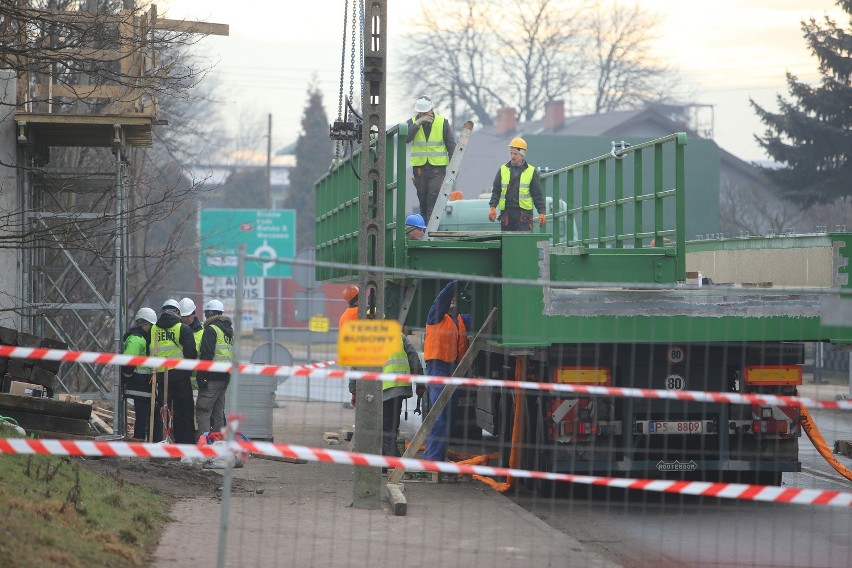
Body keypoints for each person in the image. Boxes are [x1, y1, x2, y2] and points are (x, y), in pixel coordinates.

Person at [423, 281, 472, 462]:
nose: (451, 302)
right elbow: (441, 299)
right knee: (439, 416)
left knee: (448, 418)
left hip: (453, 371)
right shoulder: (435, 316)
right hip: (437, 368)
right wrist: (455, 283)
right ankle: (432, 459)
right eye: (449, 300)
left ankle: (438, 456)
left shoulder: (460, 320)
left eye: (454, 300)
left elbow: (479, 315)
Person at [148, 298, 198, 443]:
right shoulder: (182, 328)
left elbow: (149, 351)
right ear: (177, 312)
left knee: (162, 410)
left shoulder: (154, 329)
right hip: (181, 375)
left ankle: (159, 441)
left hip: (162, 376)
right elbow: (191, 354)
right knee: (184, 410)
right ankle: (185, 442)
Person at [407, 95, 456, 223]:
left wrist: (452, 169)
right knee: (422, 199)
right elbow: (406, 138)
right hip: (420, 169)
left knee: (433, 196)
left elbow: (451, 146)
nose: (423, 115)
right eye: (421, 113)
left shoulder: (442, 122)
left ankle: (430, 229)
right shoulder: (412, 123)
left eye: (426, 112)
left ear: (432, 109)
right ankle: (424, 228)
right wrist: (417, 124)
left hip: (437, 169)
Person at [488, 137, 547, 232]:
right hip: (506, 214)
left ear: (522, 154)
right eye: (511, 153)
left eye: (515, 154)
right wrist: (492, 207)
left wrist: (541, 212)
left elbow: (537, 195)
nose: (512, 156)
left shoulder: (531, 171)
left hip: (523, 215)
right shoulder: (503, 170)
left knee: (521, 242)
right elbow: (496, 191)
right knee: (507, 243)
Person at [379, 331, 423, 458]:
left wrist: (354, 390)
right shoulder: (397, 334)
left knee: (386, 429)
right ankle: (386, 461)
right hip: (400, 386)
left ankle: (393, 462)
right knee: (392, 425)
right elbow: (413, 356)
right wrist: (420, 382)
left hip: (384, 387)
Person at [121, 307, 161, 441]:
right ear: (144, 323)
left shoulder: (143, 338)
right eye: (151, 325)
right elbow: (127, 362)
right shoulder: (137, 339)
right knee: (142, 417)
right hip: (139, 384)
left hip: (144, 384)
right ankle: (138, 445)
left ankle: (143, 443)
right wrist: (127, 377)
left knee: (146, 416)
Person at [195, 299, 234, 435]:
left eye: (206, 314)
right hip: (224, 377)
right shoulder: (228, 331)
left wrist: (201, 377)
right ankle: (219, 445)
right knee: (218, 412)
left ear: (209, 313)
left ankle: (204, 446)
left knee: (203, 411)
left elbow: (206, 355)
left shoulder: (211, 330)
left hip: (211, 377)